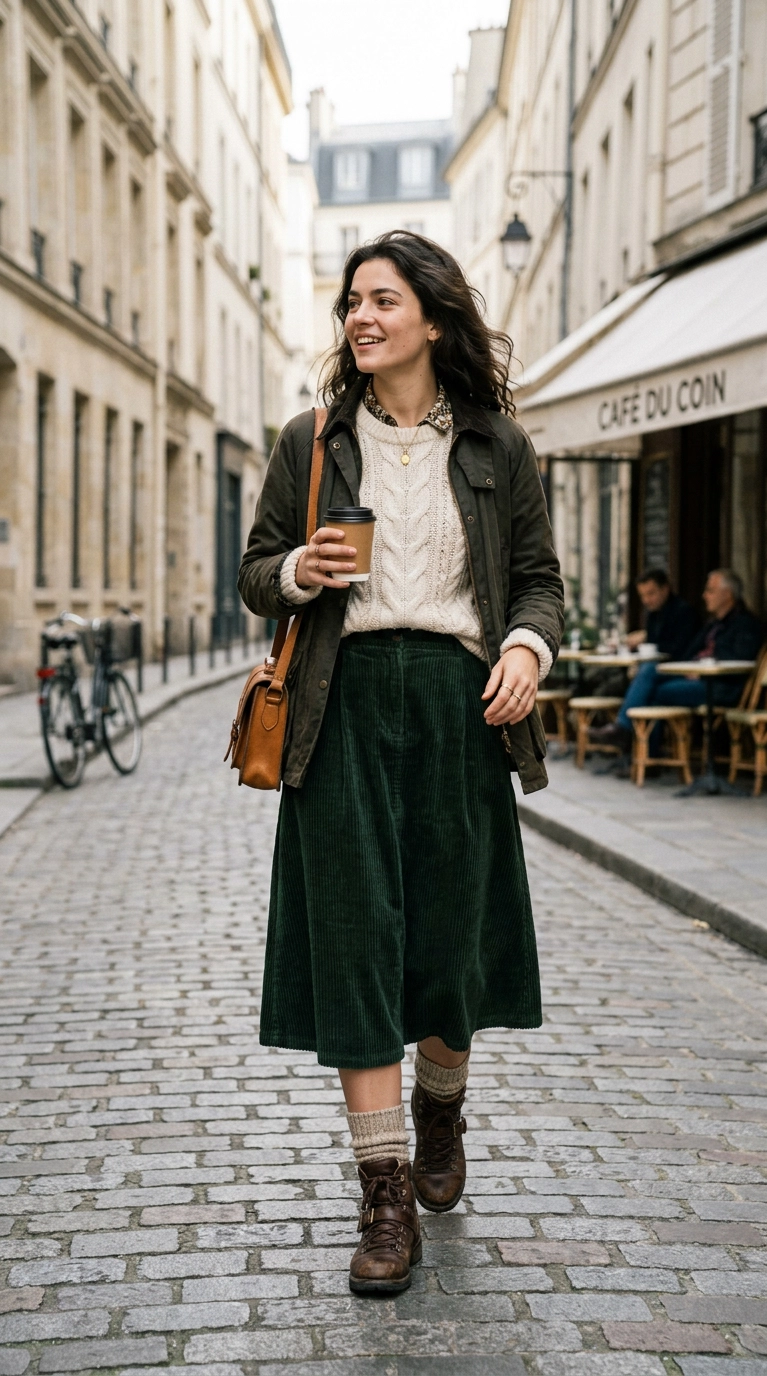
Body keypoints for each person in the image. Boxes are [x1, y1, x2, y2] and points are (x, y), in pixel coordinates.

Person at [237, 231, 564, 1296]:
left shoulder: (498, 446)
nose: (360, 318)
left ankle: (440, 1104)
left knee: (448, 946)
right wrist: (297, 566)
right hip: (342, 710)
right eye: (350, 303)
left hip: (461, 711)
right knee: (356, 941)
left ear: (432, 314)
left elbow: (537, 582)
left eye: (382, 299)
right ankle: (383, 1191)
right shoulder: (312, 439)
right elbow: (254, 571)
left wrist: (525, 646)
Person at [593, 569, 761, 750]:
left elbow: (740, 663)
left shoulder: (745, 624)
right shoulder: (713, 624)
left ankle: (629, 739)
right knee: (650, 680)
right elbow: (689, 653)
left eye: (710, 591)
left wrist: (700, 672)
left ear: (727, 594)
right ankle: (642, 754)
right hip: (697, 680)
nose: (705, 596)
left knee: (651, 686)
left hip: (720, 687)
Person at [591, 568, 697, 746]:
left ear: (665, 589)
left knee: (647, 672)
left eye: (651, 593)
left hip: (680, 670)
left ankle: (622, 728)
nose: (647, 600)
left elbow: (680, 650)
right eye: (643, 595)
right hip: (658, 674)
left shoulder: (684, 612)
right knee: (649, 693)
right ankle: (647, 758)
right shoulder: (652, 614)